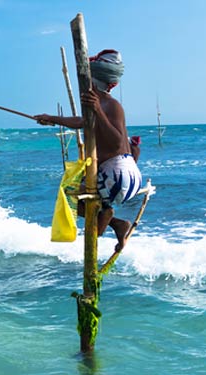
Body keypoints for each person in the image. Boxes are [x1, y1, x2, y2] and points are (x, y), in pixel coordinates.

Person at [34, 49, 142, 251]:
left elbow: (117, 142)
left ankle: (108, 216)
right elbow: (82, 122)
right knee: (76, 195)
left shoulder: (110, 105)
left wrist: (98, 111)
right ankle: (117, 223)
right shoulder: (99, 103)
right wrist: (52, 118)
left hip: (116, 175)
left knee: (69, 194)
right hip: (124, 176)